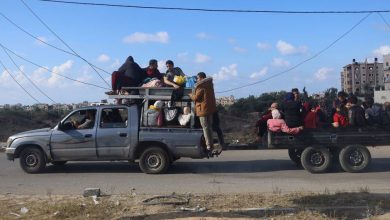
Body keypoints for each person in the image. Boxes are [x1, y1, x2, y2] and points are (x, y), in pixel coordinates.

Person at [189, 72, 217, 152]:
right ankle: (211, 145)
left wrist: (190, 95)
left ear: (201, 78)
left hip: (203, 109)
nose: (197, 80)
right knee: (209, 127)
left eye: (197, 78)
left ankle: (208, 145)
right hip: (209, 109)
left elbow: (196, 98)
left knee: (205, 128)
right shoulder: (209, 84)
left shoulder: (201, 86)